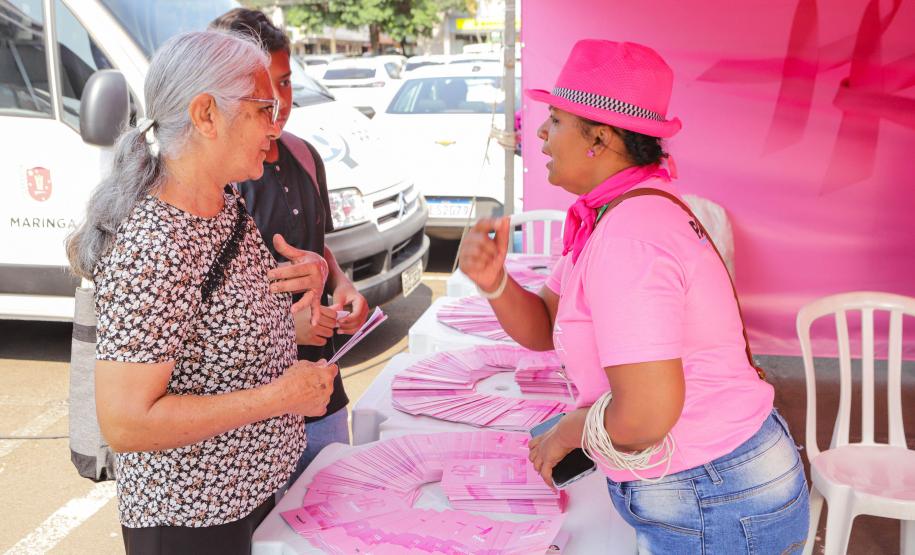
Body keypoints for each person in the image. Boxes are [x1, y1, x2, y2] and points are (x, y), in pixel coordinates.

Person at [459, 39, 810, 554]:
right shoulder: (616, 211)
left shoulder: (631, 235)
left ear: (598, 138)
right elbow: (543, 326)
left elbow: (645, 416)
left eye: (554, 120)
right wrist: (495, 282)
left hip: (716, 496)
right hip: (716, 484)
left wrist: (568, 433)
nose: (539, 132)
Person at [65, 31, 337, 554]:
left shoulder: (225, 203)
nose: (277, 123)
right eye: (263, 106)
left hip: (248, 498)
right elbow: (125, 421)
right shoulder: (156, 243)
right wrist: (281, 396)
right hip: (192, 521)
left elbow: (214, 336)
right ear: (206, 114)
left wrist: (296, 320)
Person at [209, 9, 369, 489]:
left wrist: (342, 286)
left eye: (285, 83)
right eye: (261, 91)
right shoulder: (211, 180)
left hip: (323, 386)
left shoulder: (305, 154)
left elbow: (318, 247)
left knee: (334, 511)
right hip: (252, 409)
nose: (277, 103)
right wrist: (282, 324)